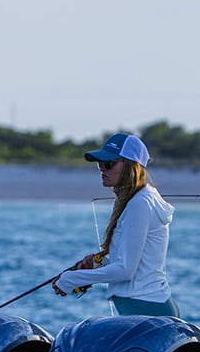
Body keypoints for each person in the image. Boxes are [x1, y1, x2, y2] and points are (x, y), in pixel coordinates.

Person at [52, 132, 180, 317]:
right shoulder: (138, 200)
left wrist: (72, 279)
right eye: (100, 164)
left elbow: (125, 271)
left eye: (109, 164)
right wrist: (97, 263)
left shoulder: (139, 203)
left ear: (131, 166)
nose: (102, 169)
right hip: (147, 305)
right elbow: (131, 260)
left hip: (146, 307)